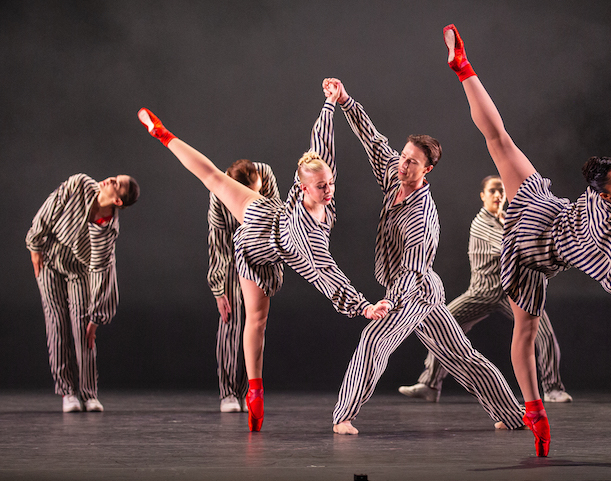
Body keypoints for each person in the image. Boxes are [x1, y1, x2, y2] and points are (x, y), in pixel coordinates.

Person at [443, 24, 611, 456]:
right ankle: (534, 410)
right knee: (526, 329)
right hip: (533, 249)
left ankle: (464, 69)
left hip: (545, 207)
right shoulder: (604, 233)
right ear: (602, 194)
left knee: (500, 141)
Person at [138, 81, 390, 432]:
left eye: (330, 183)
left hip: (264, 212)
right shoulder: (309, 238)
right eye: (321, 187)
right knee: (256, 321)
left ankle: (164, 135)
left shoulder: (312, 182)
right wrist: (363, 306)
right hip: (257, 247)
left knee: (213, 178)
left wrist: (330, 104)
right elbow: (327, 275)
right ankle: (254, 390)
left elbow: (321, 147)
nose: (329, 189)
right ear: (303, 188)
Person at [324, 78, 526, 436]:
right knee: (461, 357)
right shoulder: (392, 172)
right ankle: (513, 416)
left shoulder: (422, 218)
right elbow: (373, 140)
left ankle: (343, 417)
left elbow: (412, 270)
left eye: (412, 163)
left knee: (374, 341)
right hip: (425, 291)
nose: (403, 166)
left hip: (414, 289)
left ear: (427, 169)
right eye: (403, 158)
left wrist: (389, 301)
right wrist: (344, 100)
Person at [399, 175, 572, 403]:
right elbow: (512, 249)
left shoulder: (509, 220)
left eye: (502, 190)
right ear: (483, 196)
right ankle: (430, 384)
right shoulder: (482, 222)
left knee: (544, 333)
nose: (499, 195)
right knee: (440, 324)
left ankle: (553, 389)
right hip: (482, 293)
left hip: (511, 292)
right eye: (493, 191)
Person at [27, 173, 140, 412]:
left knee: (83, 330)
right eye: (114, 177)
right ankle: (67, 392)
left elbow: (102, 271)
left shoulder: (107, 231)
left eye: (116, 184)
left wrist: (96, 317)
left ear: (118, 201)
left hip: (79, 272)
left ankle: (89, 393)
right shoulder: (78, 184)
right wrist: (35, 244)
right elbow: (49, 208)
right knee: (56, 324)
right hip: (50, 262)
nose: (110, 180)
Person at [208, 159, 280, 413]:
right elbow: (218, 240)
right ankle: (228, 392)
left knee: (256, 322)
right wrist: (219, 288)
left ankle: (248, 388)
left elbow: (277, 219)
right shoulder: (219, 192)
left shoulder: (265, 173)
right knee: (231, 321)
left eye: (256, 191)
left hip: (260, 251)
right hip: (231, 254)